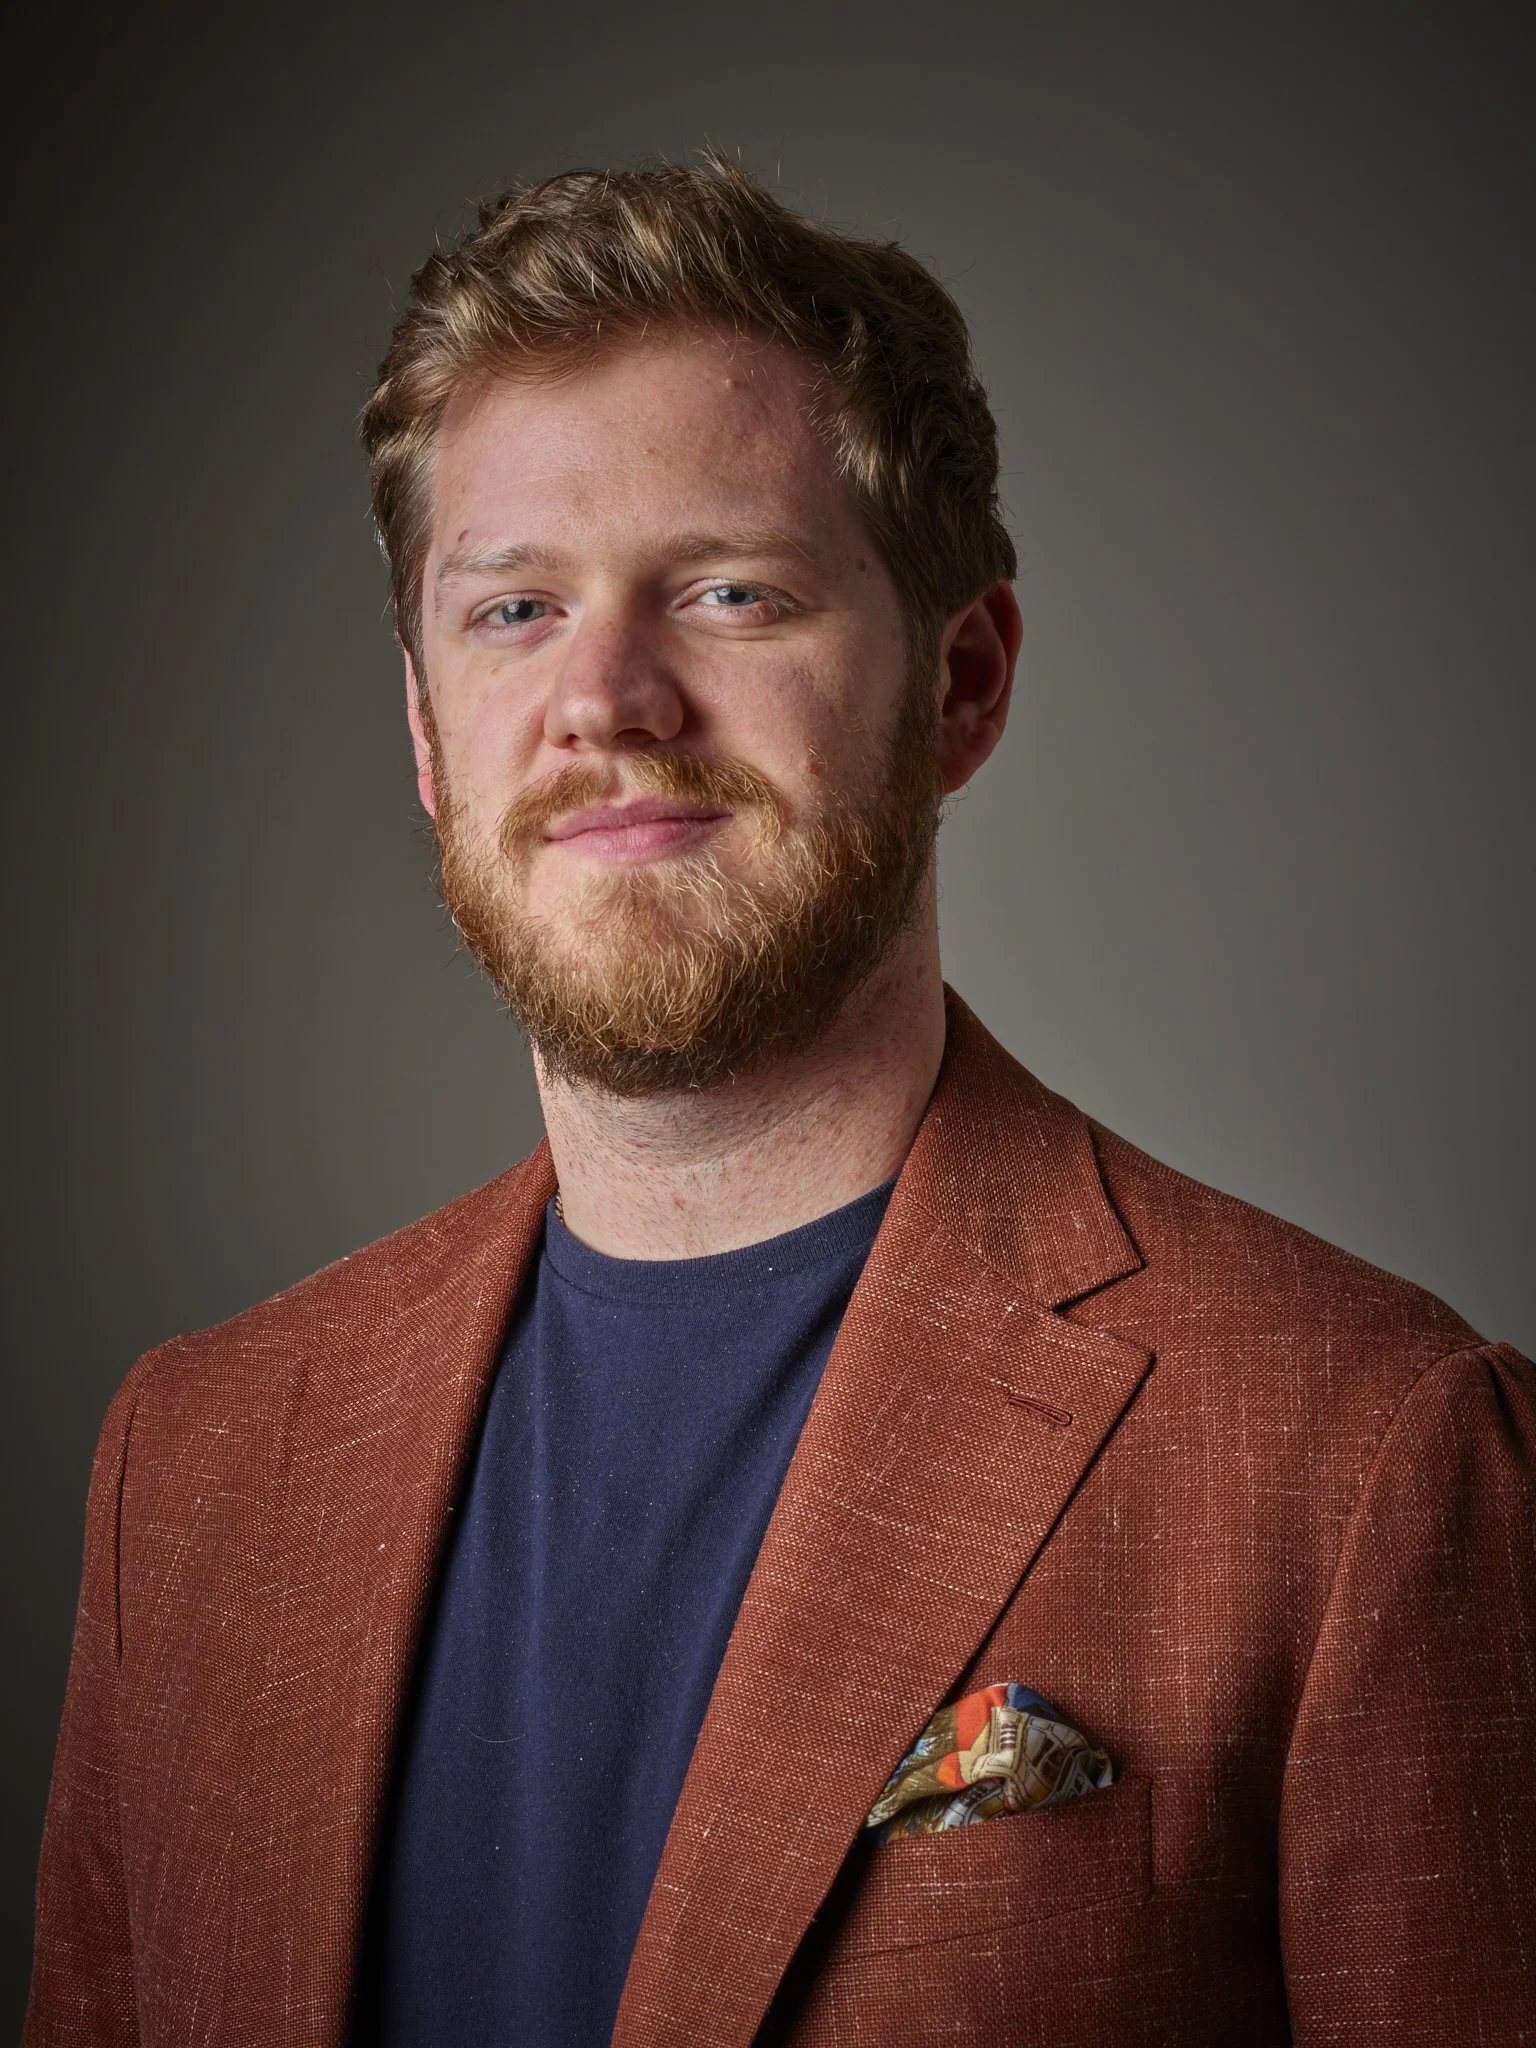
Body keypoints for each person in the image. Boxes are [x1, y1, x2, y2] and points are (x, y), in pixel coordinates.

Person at [25, 159, 1534, 2048]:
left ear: (961, 683)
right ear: (424, 733)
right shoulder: (199, 1463)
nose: (608, 701)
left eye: (730, 591)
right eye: (512, 610)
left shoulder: (1372, 1459)